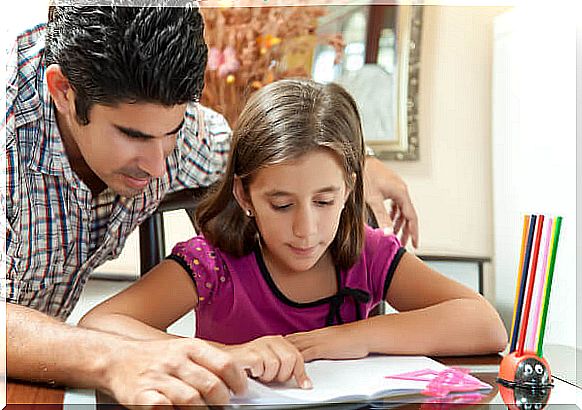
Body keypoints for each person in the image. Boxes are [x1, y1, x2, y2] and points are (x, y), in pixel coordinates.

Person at [4, 3, 419, 407]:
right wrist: (116, 358)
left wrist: (357, 167)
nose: (158, 164)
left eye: (173, 130)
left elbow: (264, 158)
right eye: (133, 135)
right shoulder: (9, 134)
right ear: (63, 91)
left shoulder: (178, 131)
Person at [80, 79, 508, 402]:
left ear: (348, 188)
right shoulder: (213, 264)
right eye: (282, 205)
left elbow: (484, 324)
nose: (306, 229)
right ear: (245, 195)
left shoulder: (368, 252)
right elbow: (100, 324)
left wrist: (352, 337)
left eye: (325, 200)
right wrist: (225, 355)